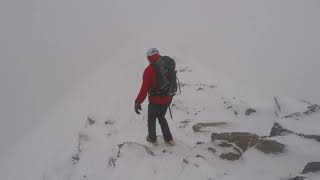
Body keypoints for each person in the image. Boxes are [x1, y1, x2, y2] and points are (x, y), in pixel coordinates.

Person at [134, 48, 175, 146]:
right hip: (168, 98)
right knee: (161, 117)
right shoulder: (168, 63)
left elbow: (144, 89)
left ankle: (152, 138)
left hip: (155, 100)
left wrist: (138, 102)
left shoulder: (149, 70)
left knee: (151, 119)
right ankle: (169, 139)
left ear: (148, 58)